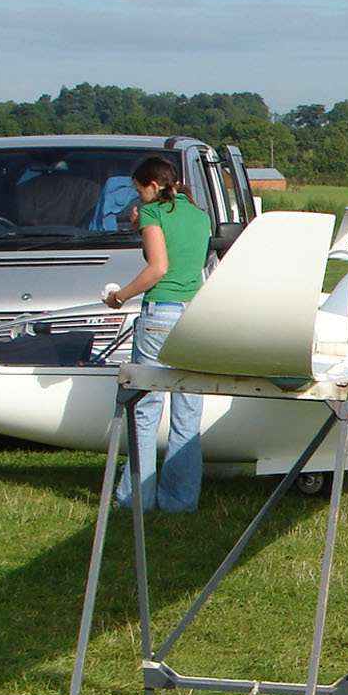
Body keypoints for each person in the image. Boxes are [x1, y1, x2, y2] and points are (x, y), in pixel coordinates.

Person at [103, 157, 211, 512]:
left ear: (151, 186)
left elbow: (159, 267)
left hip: (160, 313)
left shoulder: (152, 213)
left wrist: (119, 297)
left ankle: (136, 498)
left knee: (146, 408)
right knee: (187, 412)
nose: (139, 199)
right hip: (194, 313)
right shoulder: (199, 214)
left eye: (139, 191)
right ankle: (181, 501)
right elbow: (184, 259)